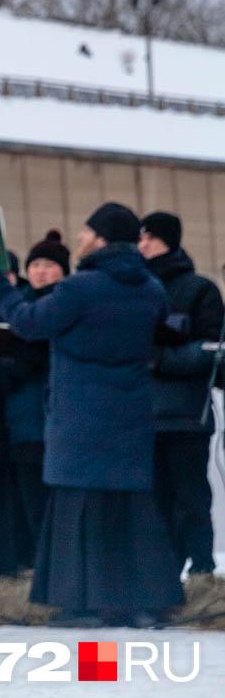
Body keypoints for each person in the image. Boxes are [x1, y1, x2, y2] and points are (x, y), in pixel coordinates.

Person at [0, 202, 181, 624]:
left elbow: (29, 323)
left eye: (86, 231)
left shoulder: (80, 287)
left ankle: (83, 603)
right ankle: (136, 602)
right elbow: (161, 325)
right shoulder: (150, 288)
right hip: (130, 413)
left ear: (103, 238)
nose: (79, 238)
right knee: (129, 509)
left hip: (81, 416)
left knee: (80, 508)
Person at [141, 210, 222, 580]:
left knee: (191, 498)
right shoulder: (137, 289)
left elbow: (212, 350)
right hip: (143, 416)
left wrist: (159, 359)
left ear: (163, 241)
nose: (140, 245)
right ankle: (164, 577)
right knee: (155, 501)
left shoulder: (198, 289)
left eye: (147, 238)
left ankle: (203, 572)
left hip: (187, 414)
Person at [0, 230, 69, 571]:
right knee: (30, 506)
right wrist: (14, 363)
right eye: (34, 264)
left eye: (49, 264)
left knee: (59, 508)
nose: (40, 271)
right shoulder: (16, 308)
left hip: (62, 426)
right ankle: (36, 572)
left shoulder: (68, 304)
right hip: (22, 424)